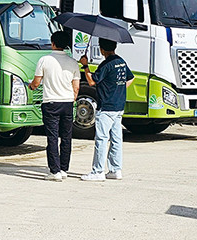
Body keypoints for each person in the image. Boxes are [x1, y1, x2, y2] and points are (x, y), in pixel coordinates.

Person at [79, 38, 133, 182]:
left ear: (102, 50)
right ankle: (115, 169)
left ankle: (98, 171)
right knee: (116, 139)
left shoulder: (106, 64)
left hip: (106, 107)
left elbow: (91, 81)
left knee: (101, 139)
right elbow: (130, 78)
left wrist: (85, 66)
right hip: (118, 105)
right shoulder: (121, 61)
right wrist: (119, 90)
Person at [30, 30, 81, 181]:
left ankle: (55, 171)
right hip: (67, 102)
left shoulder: (44, 60)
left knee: (52, 137)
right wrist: (72, 99)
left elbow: (36, 82)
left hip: (51, 103)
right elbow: (76, 87)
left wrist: (31, 87)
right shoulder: (73, 62)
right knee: (66, 137)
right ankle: (64, 169)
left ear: (52, 43)